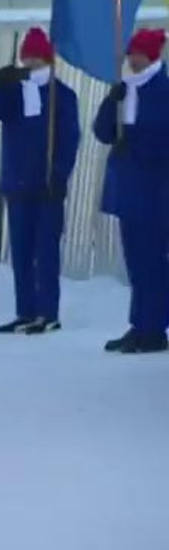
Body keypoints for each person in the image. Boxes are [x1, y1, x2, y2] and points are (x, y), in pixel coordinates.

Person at [0, 29, 79, 335]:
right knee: (20, 253)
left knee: (45, 252)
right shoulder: (14, 93)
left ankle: (48, 312)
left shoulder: (62, 95)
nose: (29, 61)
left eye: (34, 56)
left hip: (47, 186)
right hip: (17, 184)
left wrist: (58, 175)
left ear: (46, 58)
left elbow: (69, 139)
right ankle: (25, 310)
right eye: (25, 56)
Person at [93, 28, 169, 354]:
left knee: (152, 261)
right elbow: (102, 132)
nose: (129, 57)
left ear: (149, 55)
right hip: (128, 188)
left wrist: (135, 146)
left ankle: (153, 328)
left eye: (135, 52)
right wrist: (111, 105)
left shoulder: (163, 90)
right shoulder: (125, 88)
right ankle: (139, 324)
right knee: (135, 261)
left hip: (155, 190)